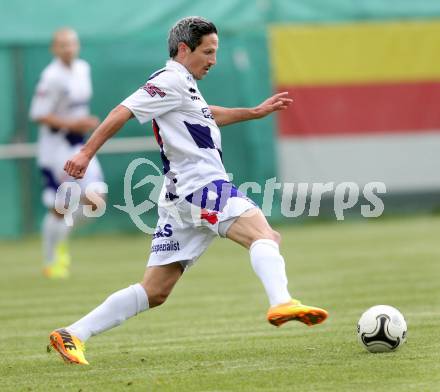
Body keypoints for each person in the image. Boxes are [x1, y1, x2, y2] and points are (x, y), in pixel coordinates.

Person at [47, 17, 328, 365]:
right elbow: (123, 111)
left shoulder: (184, 85)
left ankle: (73, 333)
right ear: (184, 49)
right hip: (200, 186)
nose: (213, 60)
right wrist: (87, 153)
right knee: (264, 235)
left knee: (155, 291)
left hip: (183, 194)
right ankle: (282, 301)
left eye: (215, 52)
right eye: (208, 52)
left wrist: (254, 112)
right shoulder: (168, 80)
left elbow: (206, 115)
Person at [30, 28, 104, 279]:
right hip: (56, 150)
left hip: (79, 147)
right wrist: (74, 124)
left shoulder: (83, 68)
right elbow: (38, 114)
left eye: (71, 43)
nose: (68, 48)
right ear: (54, 48)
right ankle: (52, 260)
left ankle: (61, 235)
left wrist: (81, 124)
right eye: (62, 45)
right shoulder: (51, 76)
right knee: (59, 209)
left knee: (97, 201)